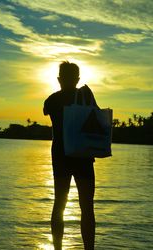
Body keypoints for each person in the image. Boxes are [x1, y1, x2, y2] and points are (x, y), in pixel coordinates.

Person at [43, 61, 98, 250]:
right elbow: (95, 115)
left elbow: (45, 112)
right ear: (78, 79)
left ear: (59, 79)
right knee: (87, 208)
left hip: (61, 157)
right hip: (83, 156)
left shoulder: (51, 100)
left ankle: (57, 248)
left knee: (59, 205)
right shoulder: (85, 95)